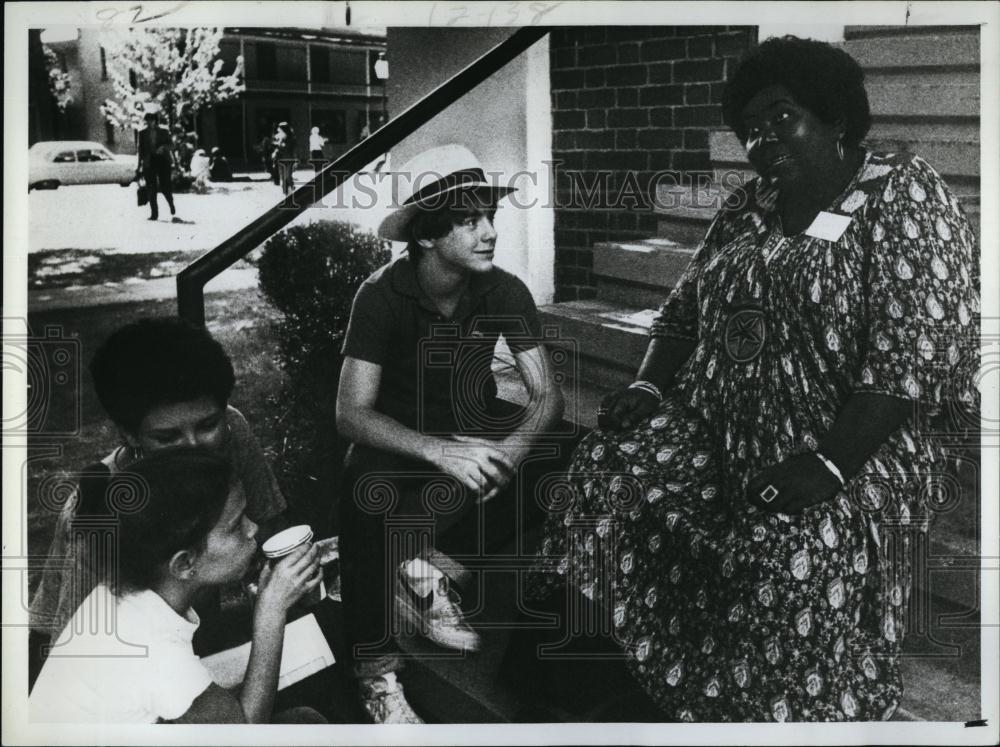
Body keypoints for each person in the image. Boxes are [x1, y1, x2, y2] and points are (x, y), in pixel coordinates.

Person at [526, 35, 979, 722]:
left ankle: (777, 713)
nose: (763, 139)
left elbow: (909, 352)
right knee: (608, 468)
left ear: (835, 119)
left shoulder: (906, 197)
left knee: (788, 543)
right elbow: (682, 308)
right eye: (751, 129)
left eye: (782, 117)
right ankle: (630, 680)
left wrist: (828, 463)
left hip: (859, 444)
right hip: (725, 423)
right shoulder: (751, 204)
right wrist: (649, 386)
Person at [336, 144, 567, 723]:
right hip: (401, 439)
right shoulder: (382, 294)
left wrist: (509, 453)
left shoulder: (502, 289)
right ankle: (377, 672)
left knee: (566, 453)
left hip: (475, 426)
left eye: (490, 216)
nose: (490, 232)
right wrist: (439, 450)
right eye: (469, 221)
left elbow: (546, 395)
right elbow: (351, 414)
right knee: (364, 488)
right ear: (427, 236)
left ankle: (422, 561)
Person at [29, 318, 289, 685]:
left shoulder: (233, 431)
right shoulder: (99, 510)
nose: (194, 447)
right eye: (167, 437)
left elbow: (270, 524)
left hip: (194, 644)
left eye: (207, 425)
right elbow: (74, 650)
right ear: (128, 434)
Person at [29, 448, 325, 723]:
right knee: (307, 721)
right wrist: (271, 612)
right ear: (183, 564)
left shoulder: (130, 589)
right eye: (236, 525)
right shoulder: (151, 647)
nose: (253, 528)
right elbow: (243, 730)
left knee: (303, 719)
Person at [135, 102, 178, 222]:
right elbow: (140, 150)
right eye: (147, 121)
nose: (149, 123)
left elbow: (172, 145)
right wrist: (139, 166)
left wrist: (163, 147)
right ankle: (154, 214)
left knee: (165, 187)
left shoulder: (164, 131)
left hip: (162, 161)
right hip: (149, 162)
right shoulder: (142, 133)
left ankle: (171, 204)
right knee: (151, 189)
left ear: (156, 121)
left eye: (152, 121)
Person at [272, 122, 297, 195]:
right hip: (281, 159)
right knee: (283, 177)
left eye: (280, 128)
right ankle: (285, 193)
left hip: (289, 159)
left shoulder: (291, 137)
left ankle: (291, 187)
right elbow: (276, 147)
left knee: (288, 176)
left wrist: (296, 159)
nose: (278, 129)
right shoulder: (279, 137)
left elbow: (293, 148)